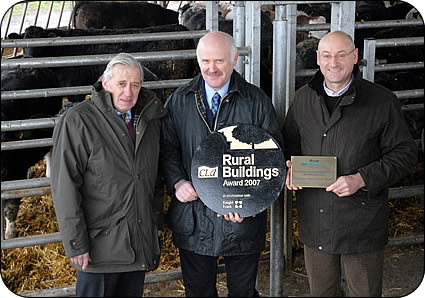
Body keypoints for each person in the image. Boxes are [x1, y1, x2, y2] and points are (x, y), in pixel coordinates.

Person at [282, 31, 418, 297]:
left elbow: (405, 153)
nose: (334, 62)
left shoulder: (381, 100)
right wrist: (289, 170)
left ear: (355, 57)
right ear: (318, 59)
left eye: (342, 55)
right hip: (316, 219)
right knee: (321, 292)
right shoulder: (302, 99)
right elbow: (289, 145)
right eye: (327, 55)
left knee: (363, 292)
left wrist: (362, 178)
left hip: (362, 221)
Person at [160, 31, 282, 297]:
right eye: (205, 61)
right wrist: (177, 182)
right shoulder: (179, 100)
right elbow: (167, 148)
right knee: (198, 291)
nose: (211, 68)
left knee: (242, 292)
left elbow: (272, 156)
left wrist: (249, 201)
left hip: (241, 223)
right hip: (193, 219)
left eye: (219, 61)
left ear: (234, 59)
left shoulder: (256, 101)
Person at [51, 52, 166, 297]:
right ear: (106, 84)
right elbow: (65, 187)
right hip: (99, 249)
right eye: (121, 84)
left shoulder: (150, 118)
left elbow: (155, 178)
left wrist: (154, 224)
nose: (129, 92)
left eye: (135, 84)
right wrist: (76, 244)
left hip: (138, 245)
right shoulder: (78, 120)